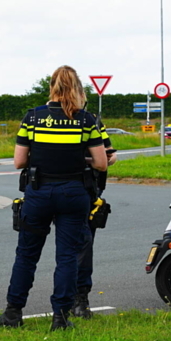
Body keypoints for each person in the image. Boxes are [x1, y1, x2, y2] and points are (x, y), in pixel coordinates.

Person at [0, 65, 108, 330]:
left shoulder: (33, 117)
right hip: (74, 193)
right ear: (77, 87)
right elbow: (101, 163)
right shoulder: (86, 119)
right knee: (67, 256)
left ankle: (12, 314)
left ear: (51, 86)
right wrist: (81, 157)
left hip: (39, 192)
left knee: (27, 255)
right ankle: (61, 318)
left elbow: (19, 162)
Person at [74, 115, 118, 318]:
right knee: (81, 244)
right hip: (75, 188)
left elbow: (109, 154)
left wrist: (108, 157)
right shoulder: (45, 118)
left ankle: (77, 299)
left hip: (91, 188)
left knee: (83, 244)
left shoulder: (94, 121)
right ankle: (76, 300)